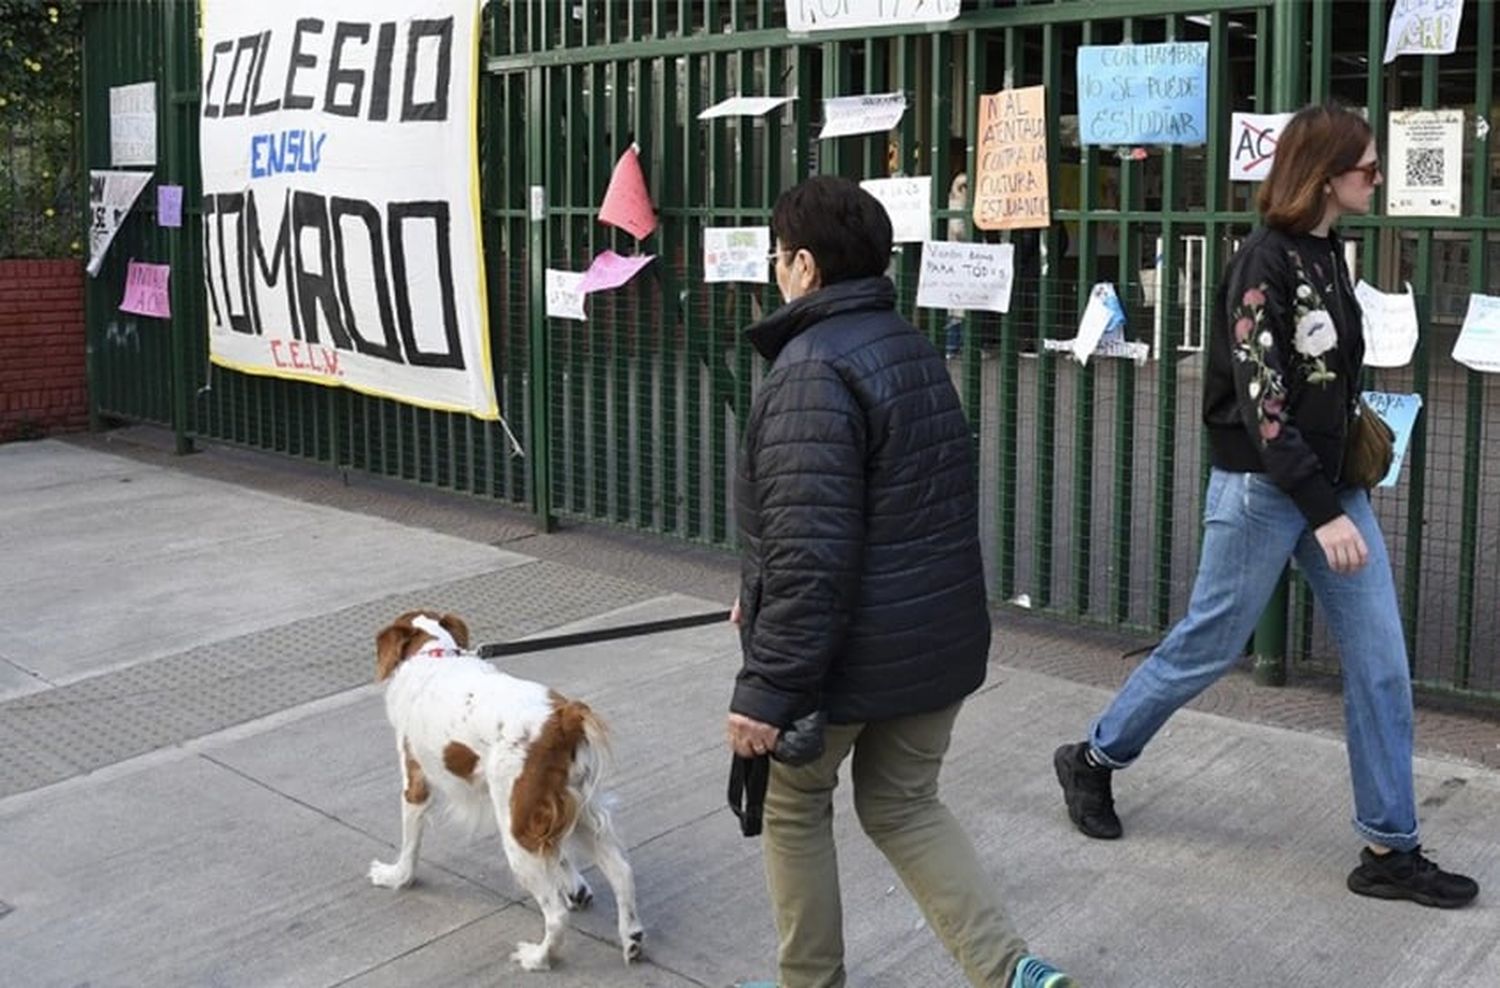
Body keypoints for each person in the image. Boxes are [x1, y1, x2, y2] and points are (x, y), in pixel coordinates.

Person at [1052, 103, 1478, 910]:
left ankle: (1390, 846)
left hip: (1328, 490)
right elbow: (1264, 405)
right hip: (1265, 492)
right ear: (1324, 176)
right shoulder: (1263, 262)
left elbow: (1327, 381)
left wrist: (1342, 481)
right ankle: (1095, 758)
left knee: (1383, 666)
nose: (1377, 179)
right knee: (1207, 646)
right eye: (1367, 168)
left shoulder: (1329, 253)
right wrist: (1325, 510)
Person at [725, 175, 1076, 988]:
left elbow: (815, 554)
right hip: (933, 642)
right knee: (904, 803)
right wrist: (763, 582)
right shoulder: (909, 347)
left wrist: (766, 687)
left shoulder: (809, 369)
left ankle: (808, 983)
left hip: (849, 658)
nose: (777, 270)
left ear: (805, 266)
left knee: (792, 805)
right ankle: (1010, 970)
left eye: (780, 256)